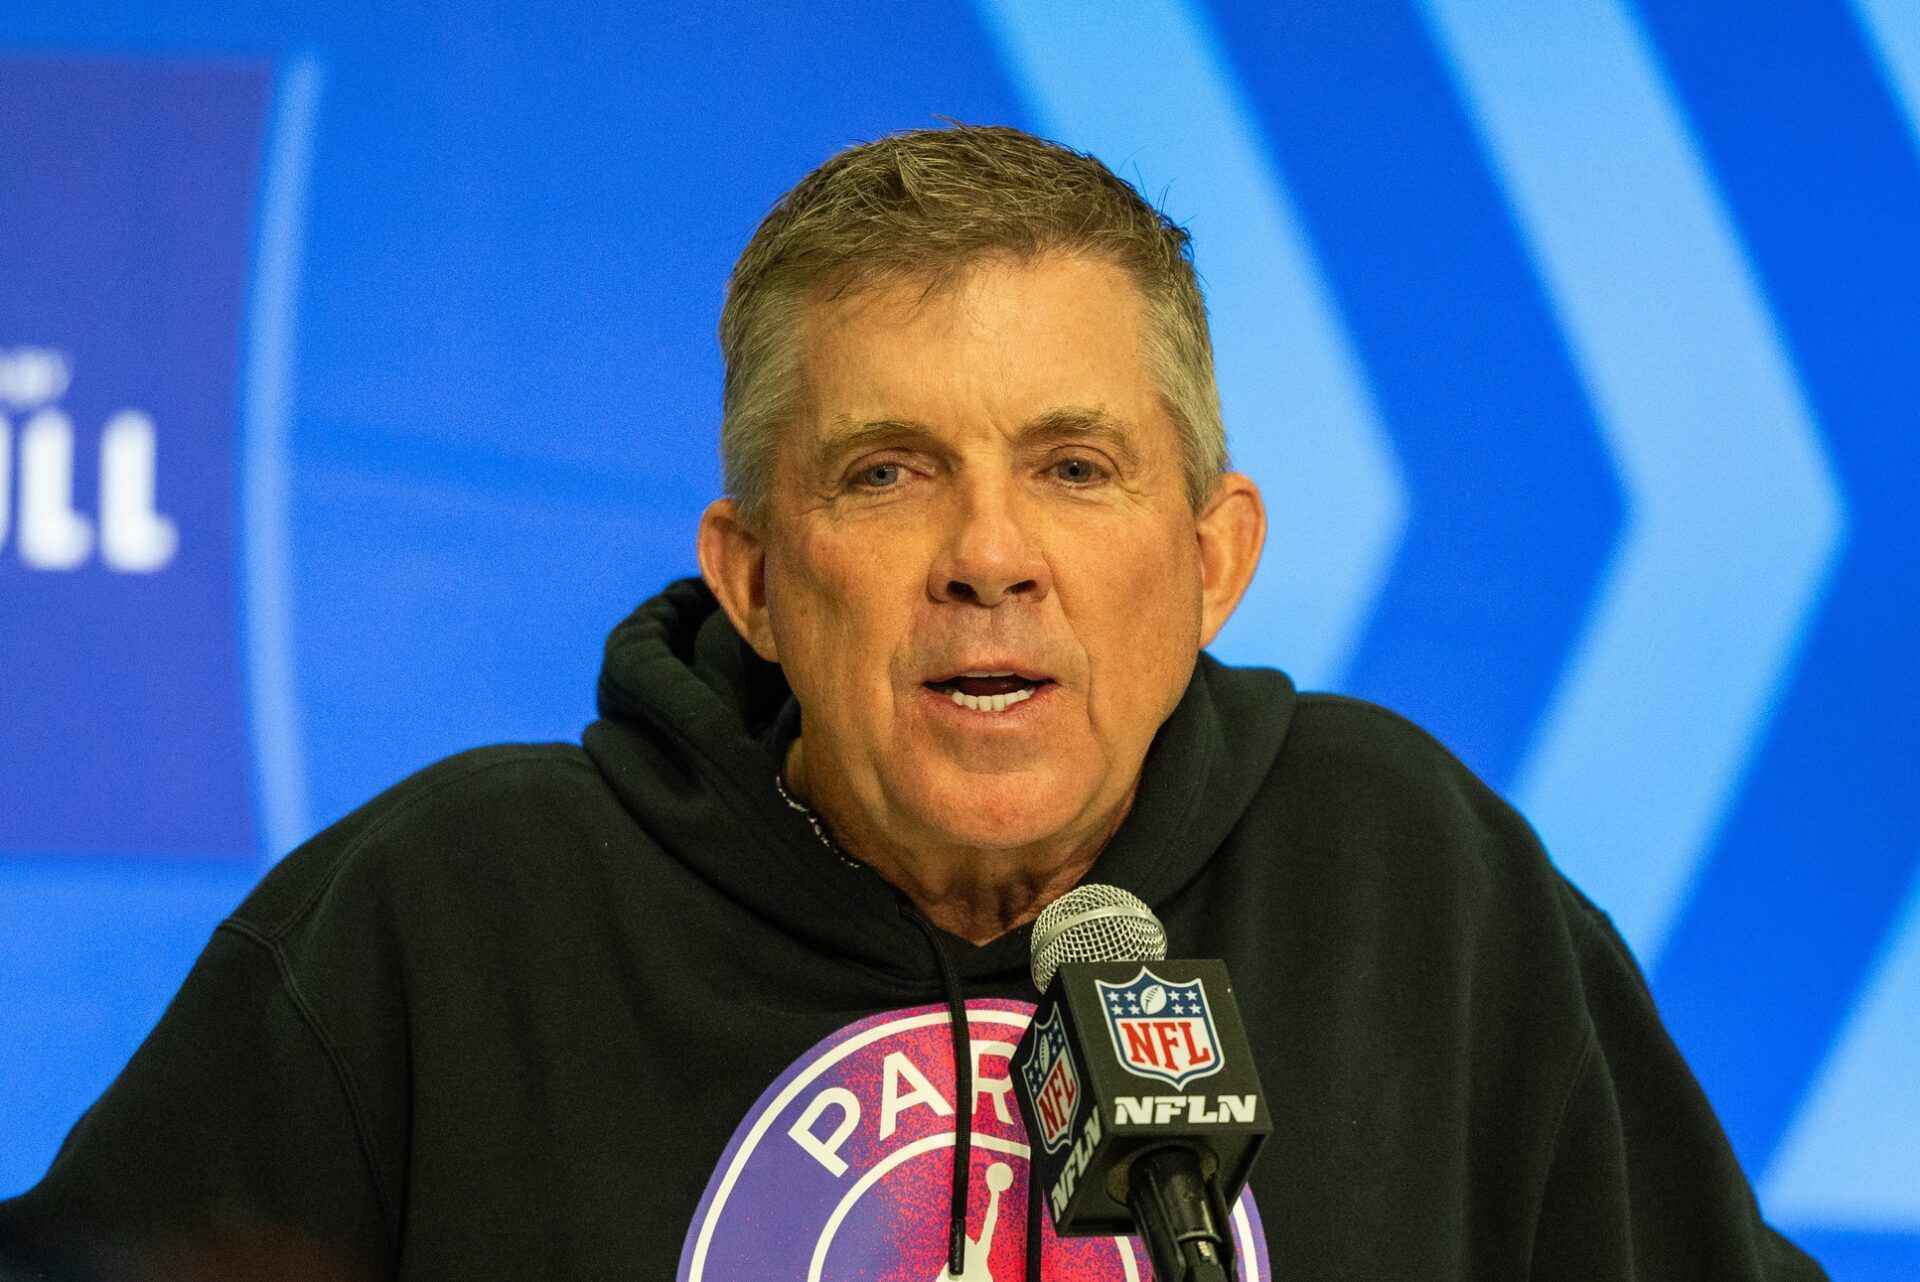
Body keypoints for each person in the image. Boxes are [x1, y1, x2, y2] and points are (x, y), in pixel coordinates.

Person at [0, 124, 1824, 1281]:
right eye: (887, 472)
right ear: (756, 576)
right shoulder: (449, 916)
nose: (988, 556)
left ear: (1215, 553)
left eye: (1077, 466)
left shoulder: (1414, 883)